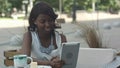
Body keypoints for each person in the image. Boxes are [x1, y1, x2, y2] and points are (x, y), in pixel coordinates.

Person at [21, 1, 67, 68]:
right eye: (42, 21)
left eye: (50, 20)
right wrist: (49, 63)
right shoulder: (29, 36)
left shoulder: (61, 38)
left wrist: (60, 61)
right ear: (34, 21)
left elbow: (67, 60)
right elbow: (25, 59)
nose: (47, 25)